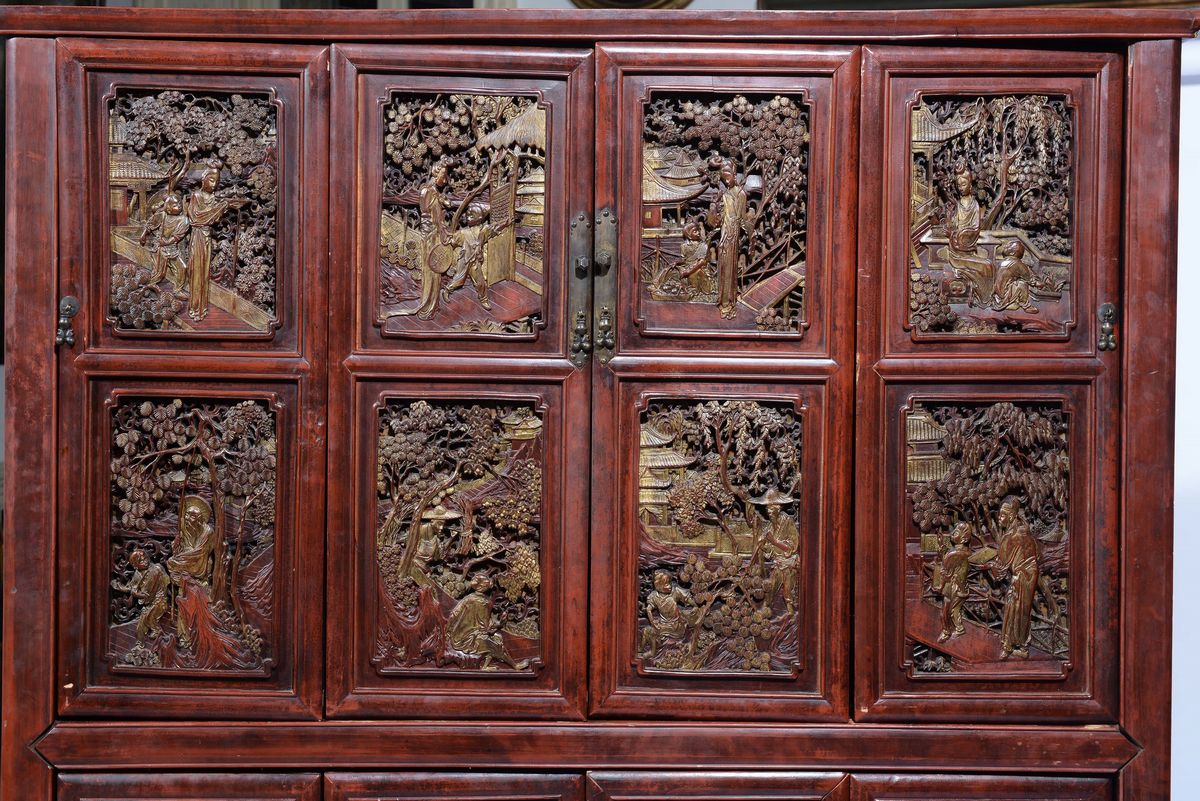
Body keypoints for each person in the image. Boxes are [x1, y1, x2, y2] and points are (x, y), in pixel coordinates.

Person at [185, 166, 247, 321]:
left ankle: (202, 308)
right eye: (211, 180)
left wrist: (224, 206)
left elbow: (213, 218)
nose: (214, 184)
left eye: (217, 182)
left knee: (204, 273)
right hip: (197, 236)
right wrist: (222, 206)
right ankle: (194, 307)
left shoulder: (212, 198)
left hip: (207, 237)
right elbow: (196, 218)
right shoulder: (196, 195)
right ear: (203, 179)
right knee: (196, 271)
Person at [444, 573, 529, 670]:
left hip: (458, 637)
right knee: (497, 644)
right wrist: (501, 622)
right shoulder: (486, 603)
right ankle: (515, 666)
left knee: (497, 638)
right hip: (471, 638)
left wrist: (447, 630)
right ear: (484, 587)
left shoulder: (467, 599)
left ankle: (485, 666)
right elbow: (487, 627)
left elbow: (453, 615)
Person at [992, 496, 1041, 659]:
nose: (999, 519)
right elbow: (1037, 555)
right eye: (999, 515)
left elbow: (1000, 568)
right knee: (1021, 610)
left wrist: (991, 566)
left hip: (1021, 576)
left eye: (1002, 515)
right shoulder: (1024, 529)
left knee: (1014, 610)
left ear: (1012, 515)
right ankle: (1020, 645)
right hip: (1031, 573)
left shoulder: (1011, 536)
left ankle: (1010, 646)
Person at [943, 161, 995, 307]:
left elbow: (975, 228)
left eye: (964, 184)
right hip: (956, 252)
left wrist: (961, 234)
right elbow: (953, 224)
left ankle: (986, 297)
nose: (961, 187)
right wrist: (951, 228)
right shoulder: (957, 205)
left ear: (970, 184)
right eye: (959, 185)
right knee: (986, 266)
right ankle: (984, 298)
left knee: (988, 265)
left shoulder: (974, 205)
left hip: (967, 247)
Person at [442, 203, 507, 310]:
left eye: (472, 216)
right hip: (464, 260)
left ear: (480, 218)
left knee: (480, 282)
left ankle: (484, 299)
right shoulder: (463, 232)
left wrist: (505, 224)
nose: (468, 218)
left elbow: (495, 229)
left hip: (475, 260)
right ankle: (447, 290)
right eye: (468, 215)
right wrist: (446, 235)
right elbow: (452, 242)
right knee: (458, 278)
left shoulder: (484, 230)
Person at [751, 487, 799, 615]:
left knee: (788, 592)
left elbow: (793, 547)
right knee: (771, 588)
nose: (769, 511)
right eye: (767, 508)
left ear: (778, 507)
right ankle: (763, 612)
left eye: (771, 508)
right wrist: (762, 543)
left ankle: (790, 615)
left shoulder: (787, 521)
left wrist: (774, 542)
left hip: (789, 564)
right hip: (778, 563)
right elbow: (768, 550)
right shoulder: (769, 526)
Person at [715, 160, 750, 319]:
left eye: (728, 175)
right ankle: (722, 301)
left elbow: (742, 219)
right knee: (723, 269)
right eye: (724, 176)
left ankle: (728, 303)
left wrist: (751, 235)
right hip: (723, 238)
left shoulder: (740, 194)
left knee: (730, 269)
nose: (726, 179)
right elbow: (716, 221)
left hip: (732, 236)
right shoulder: (724, 195)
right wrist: (716, 204)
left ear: (734, 174)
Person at [111, 549, 171, 642]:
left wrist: (135, 593)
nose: (145, 561)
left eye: (145, 558)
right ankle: (142, 644)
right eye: (141, 561)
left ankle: (162, 636)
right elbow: (132, 586)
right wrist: (121, 587)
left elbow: (147, 595)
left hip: (159, 601)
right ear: (135, 566)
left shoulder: (155, 570)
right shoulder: (138, 572)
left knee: (149, 618)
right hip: (149, 603)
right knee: (140, 627)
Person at [640, 569, 697, 658]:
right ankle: (640, 649)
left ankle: (652, 652)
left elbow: (687, 599)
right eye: (666, 584)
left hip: (675, 625)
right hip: (664, 623)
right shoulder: (654, 596)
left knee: (652, 632)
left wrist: (695, 606)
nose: (669, 586)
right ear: (658, 585)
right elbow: (648, 609)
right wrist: (653, 622)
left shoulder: (675, 591)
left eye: (669, 582)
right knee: (645, 630)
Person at [140, 192, 190, 285]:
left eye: (179, 204)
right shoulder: (162, 215)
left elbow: (177, 236)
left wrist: (167, 242)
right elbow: (150, 224)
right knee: (159, 273)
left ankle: (178, 289)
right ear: (168, 208)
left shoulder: (184, 220)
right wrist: (143, 235)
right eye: (175, 205)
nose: (179, 206)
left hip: (172, 249)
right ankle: (149, 286)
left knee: (182, 268)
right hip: (159, 248)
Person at [934, 522, 972, 642]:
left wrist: (940, 587)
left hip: (952, 587)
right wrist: (941, 544)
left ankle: (948, 631)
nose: (951, 534)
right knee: (954, 609)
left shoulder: (953, 554)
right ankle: (957, 628)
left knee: (947, 611)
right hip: (962, 587)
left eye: (955, 533)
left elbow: (944, 572)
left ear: (964, 539)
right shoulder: (967, 552)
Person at [991, 239, 1039, 313]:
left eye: (1008, 247)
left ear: (1012, 253)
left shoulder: (1001, 262)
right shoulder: (1018, 263)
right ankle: (1025, 305)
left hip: (996, 294)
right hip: (1004, 295)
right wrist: (1036, 283)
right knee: (1022, 283)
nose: (1005, 247)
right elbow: (1028, 278)